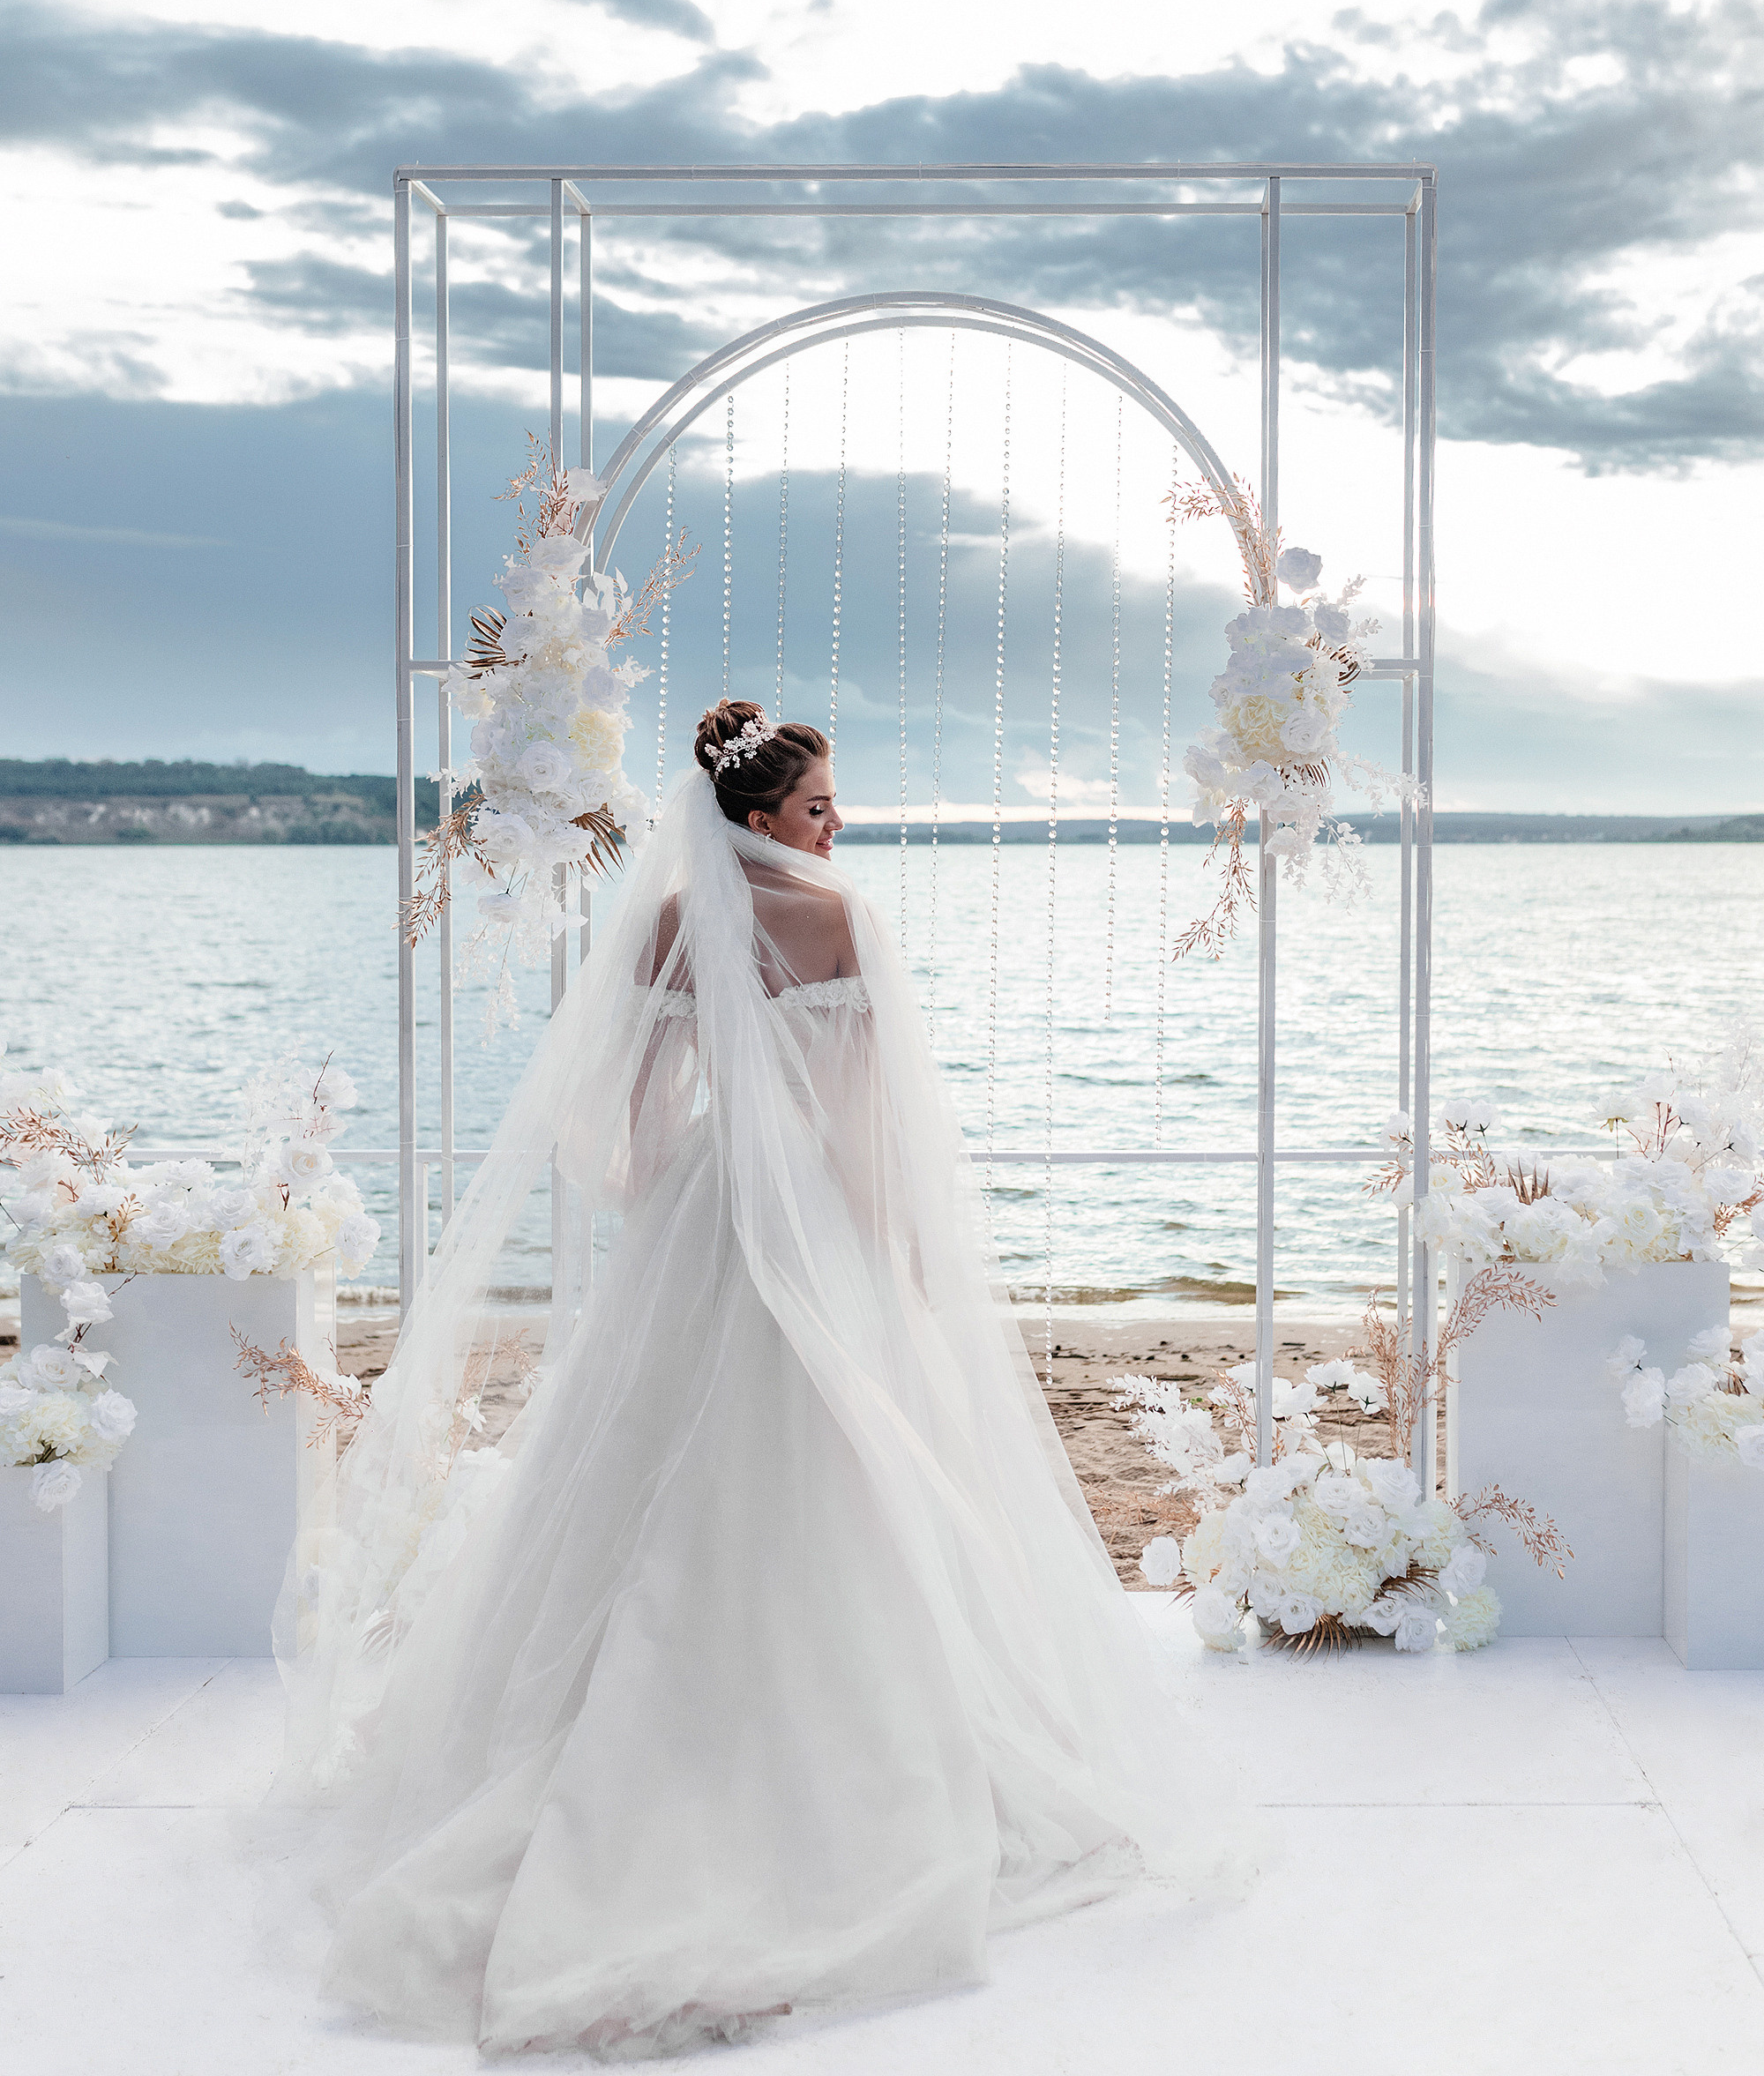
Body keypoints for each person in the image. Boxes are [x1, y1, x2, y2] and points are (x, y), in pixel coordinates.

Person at [274, 698, 1250, 2057]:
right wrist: (885, 1253)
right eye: (816, 810)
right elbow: (868, 1112)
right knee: (838, 1464)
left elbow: (623, 1120)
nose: (837, 825)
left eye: (832, 806)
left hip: (707, 1208)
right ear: (754, 819)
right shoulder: (844, 923)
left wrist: (674, 1185)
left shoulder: (672, 922)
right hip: (808, 1215)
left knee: (646, 1463)